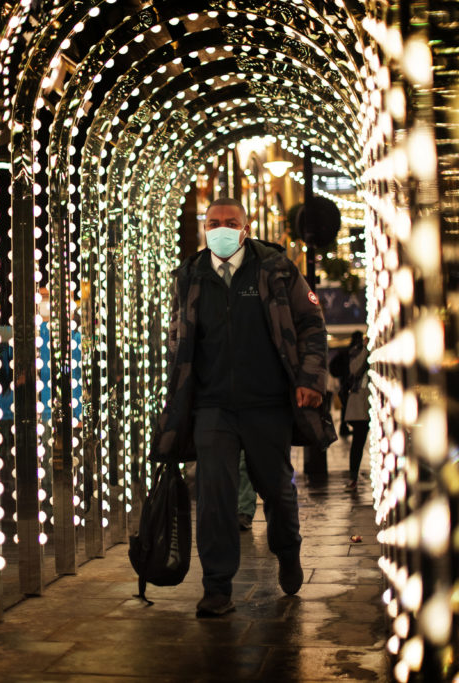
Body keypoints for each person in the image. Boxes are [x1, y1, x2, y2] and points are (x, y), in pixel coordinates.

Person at [150, 197, 333, 617]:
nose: (221, 228)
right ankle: (217, 586)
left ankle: (288, 549)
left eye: (230, 222)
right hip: (213, 407)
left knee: (277, 490)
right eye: (214, 222)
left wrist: (310, 380)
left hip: (266, 404)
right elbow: (181, 339)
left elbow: (311, 325)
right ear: (204, 228)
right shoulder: (190, 275)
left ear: (246, 228)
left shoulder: (276, 269)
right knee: (214, 497)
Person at [343, 332, 370, 489]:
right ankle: (353, 476)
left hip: (374, 403)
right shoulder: (356, 351)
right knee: (358, 443)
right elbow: (354, 369)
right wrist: (366, 350)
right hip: (360, 405)